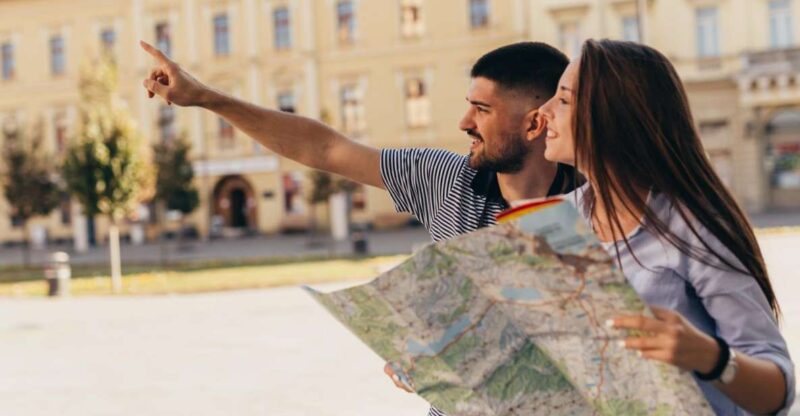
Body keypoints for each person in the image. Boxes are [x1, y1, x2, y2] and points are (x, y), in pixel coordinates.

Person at [140, 41, 579, 415]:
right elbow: (325, 148)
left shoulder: (599, 206)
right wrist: (206, 98)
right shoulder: (446, 179)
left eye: (481, 109)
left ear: (534, 123)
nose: (464, 123)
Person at [539, 39, 795, 415]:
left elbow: (778, 390)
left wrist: (711, 358)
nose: (543, 111)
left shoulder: (694, 223)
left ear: (610, 116)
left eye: (562, 100)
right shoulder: (554, 220)